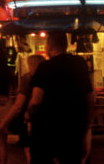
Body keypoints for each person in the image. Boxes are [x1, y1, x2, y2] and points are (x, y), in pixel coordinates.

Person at [27, 31, 93, 164]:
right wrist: (86, 128)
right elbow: (90, 99)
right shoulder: (79, 64)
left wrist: (28, 113)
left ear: (49, 45)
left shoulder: (45, 67)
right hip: (73, 130)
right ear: (66, 45)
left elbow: (35, 101)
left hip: (47, 132)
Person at [0, 54, 43, 162]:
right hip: (47, 119)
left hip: (29, 118)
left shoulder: (27, 79)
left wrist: (3, 123)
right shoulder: (49, 78)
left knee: (29, 148)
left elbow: (19, 104)